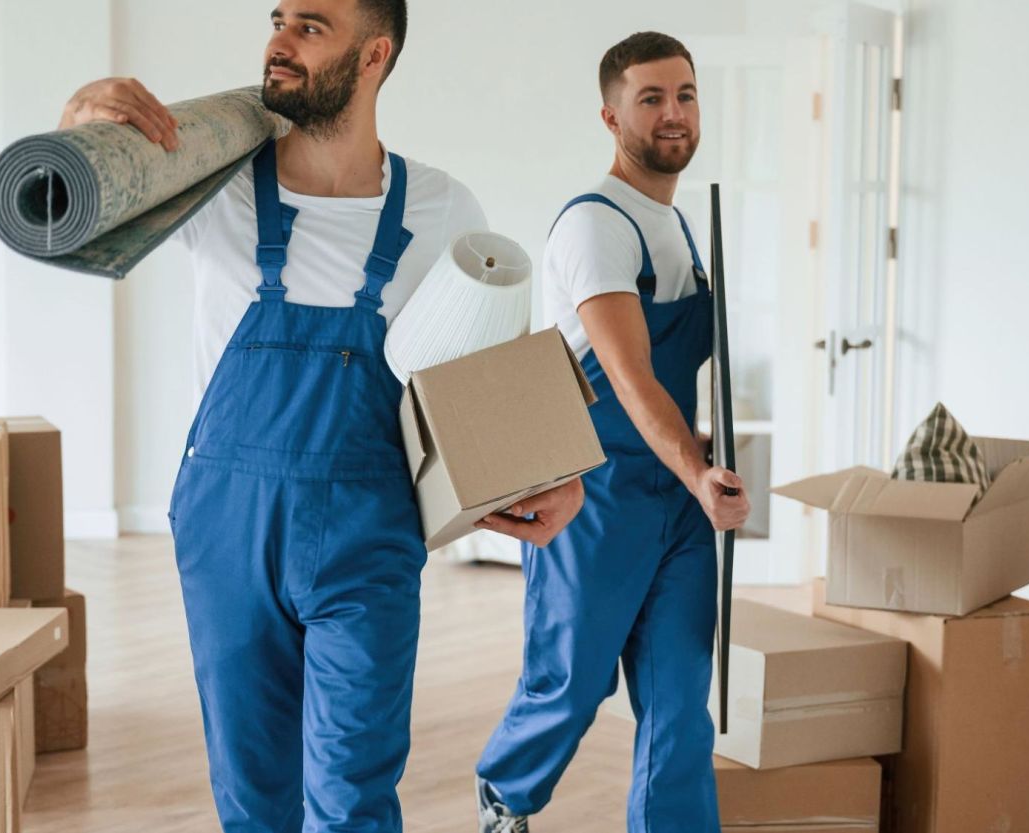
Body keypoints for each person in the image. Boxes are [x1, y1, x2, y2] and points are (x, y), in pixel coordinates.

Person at [57, 2, 584, 830]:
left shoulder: (443, 209)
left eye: (310, 26)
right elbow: (67, 224)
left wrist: (554, 476)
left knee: (353, 794)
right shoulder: (211, 181)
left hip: (368, 535)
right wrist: (81, 126)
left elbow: (488, 382)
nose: (278, 41)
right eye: (277, 20)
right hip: (229, 533)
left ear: (374, 55)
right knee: (253, 794)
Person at [474, 31, 750, 833]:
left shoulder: (679, 227)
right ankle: (504, 795)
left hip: (675, 501)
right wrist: (700, 474)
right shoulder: (596, 225)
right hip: (592, 494)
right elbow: (631, 379)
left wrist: (699, 478)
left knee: (678, 700)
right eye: (651, 98)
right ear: (611, 115)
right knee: (571, 681)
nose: (674, 113)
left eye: (686, 94)